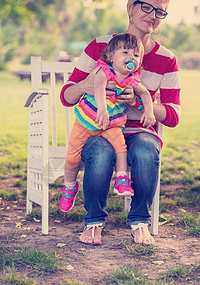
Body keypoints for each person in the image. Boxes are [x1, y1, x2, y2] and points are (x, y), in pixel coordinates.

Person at [60, 0, 181, 245]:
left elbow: (173, 115)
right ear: (130, 7)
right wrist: (88, 86)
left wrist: (140, 102)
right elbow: (66, 96)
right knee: (101, 151)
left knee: (147, 150)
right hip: (100, 127)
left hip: (138, 130)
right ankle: (93, 221)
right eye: (146, 7)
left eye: (160, 11)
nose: (153, 15)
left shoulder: (166, 59)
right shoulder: (100, 46)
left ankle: (140, 221)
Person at [59, 33, 155, 213]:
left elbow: (145, 94)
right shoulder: (103, 71)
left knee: (121, 147)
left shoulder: (131, 79)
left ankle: (121, 179)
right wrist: (102, 108)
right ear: (111, 56)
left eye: (135, 55)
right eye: (125, 52)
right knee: (72, 157)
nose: (130, 58)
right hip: (87, 122)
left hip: (111, 124)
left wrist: (149, 111)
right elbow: (99, 86)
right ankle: (69, 186)